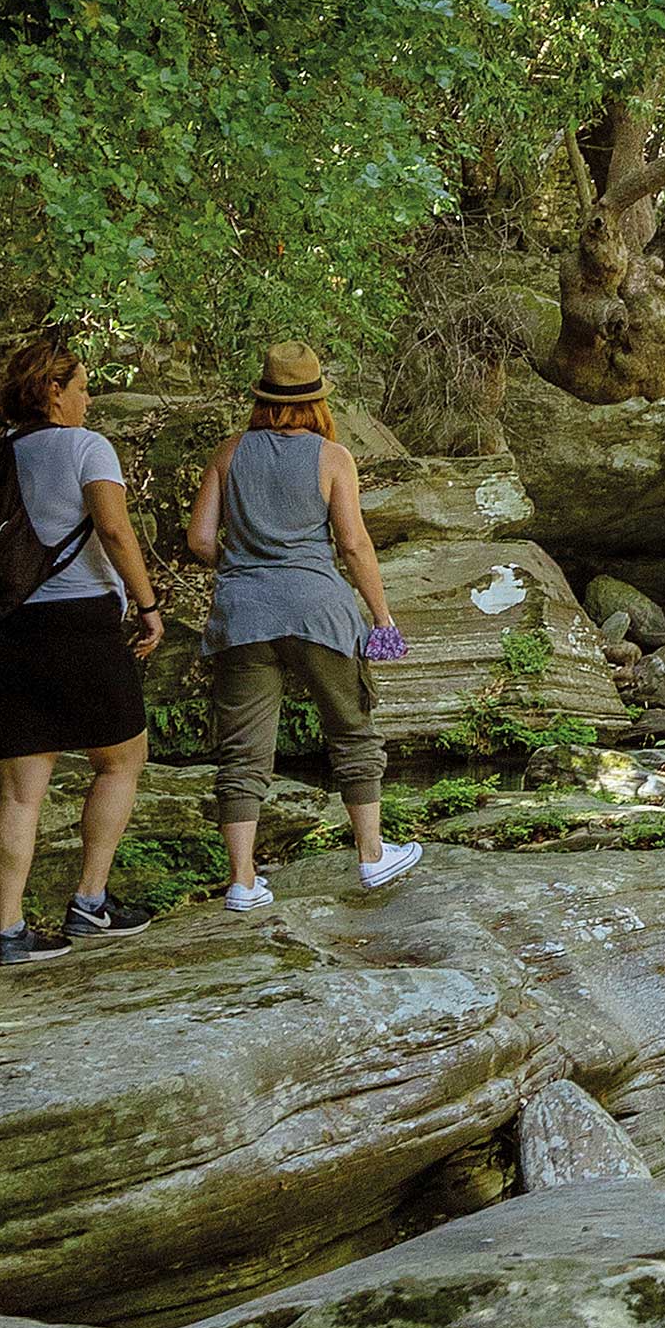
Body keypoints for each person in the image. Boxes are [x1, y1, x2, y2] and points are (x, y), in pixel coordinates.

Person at [186, 343, 421, 909]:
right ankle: (371, 856)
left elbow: (198, 541)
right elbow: (354, 545)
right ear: (317, 400)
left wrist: (243, 569)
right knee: (351, 729)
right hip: (319, 610)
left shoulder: (228, 452)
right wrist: (382, 616)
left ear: (261, 398)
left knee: (243, 750)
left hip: (243, 615)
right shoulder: (332, 457)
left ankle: (243, 882)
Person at [0, 338, 167, 967]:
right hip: (78, 622)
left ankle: (10, 933)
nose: (88, 398)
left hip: (4, 630)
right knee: (121, 759)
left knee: (20, 792)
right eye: (82, 386)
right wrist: (147, 604)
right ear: (53, 391)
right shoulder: (88, 447)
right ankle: (90, 901)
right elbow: (113, 528)